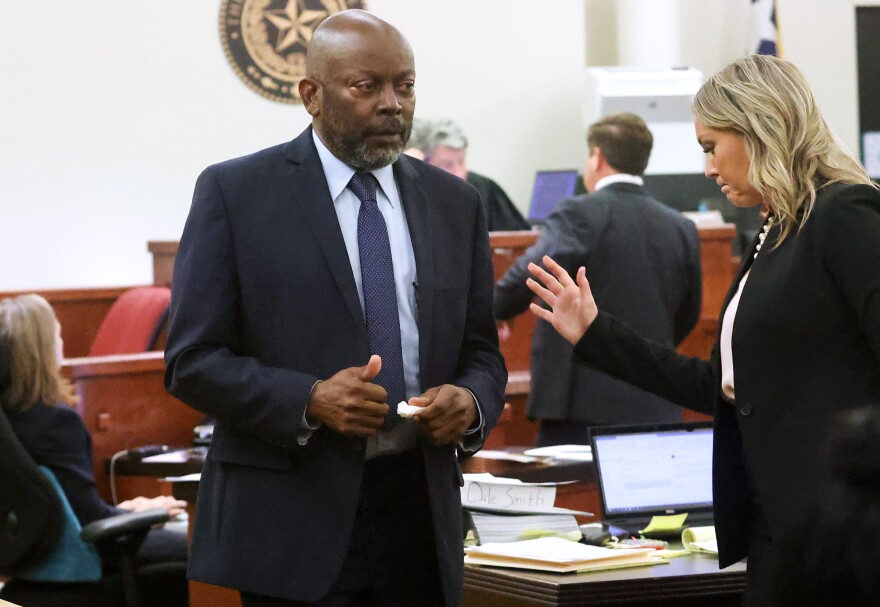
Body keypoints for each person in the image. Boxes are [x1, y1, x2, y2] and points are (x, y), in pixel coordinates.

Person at [164, 9, 506, 607]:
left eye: (405, 85)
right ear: (311, 96)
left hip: (419, 518)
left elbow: (481, 350)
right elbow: (191, 360)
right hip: (292, 522)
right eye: (366, 86)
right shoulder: (236, 194)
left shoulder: (456, 204)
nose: (392, 104)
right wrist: (309, 398)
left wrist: (472, 402)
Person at [524, 54, 880, 605]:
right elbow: (723, 387)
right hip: (777, 521)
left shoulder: (842, 213)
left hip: (845, 529)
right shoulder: (775, 230)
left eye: (711, 147)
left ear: (759, 126)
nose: (708, 169)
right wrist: (595, 335)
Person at [495, 112, 702, 447]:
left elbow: (534, 272)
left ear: (597, 157)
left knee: (573, 499)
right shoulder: (682, 227)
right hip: (656, 404)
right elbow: (688, 314)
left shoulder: (581, 212)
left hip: (583, 412)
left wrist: (497, 307)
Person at [0, 294, 188, 597]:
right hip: (82, 568)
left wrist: (124, 509)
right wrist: (148, 511)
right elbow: (93, 525)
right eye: (57, 335)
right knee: (199, 552)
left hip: (25, 562)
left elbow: (59, 506)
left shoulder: (9, 423)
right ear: (42, 351)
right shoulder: (56, 424)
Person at [410, 116, 531, 231]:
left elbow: (520, 242)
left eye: (461, 161)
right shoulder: (409, 195)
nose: (459, 173)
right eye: (446, 165)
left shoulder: (483, 189)